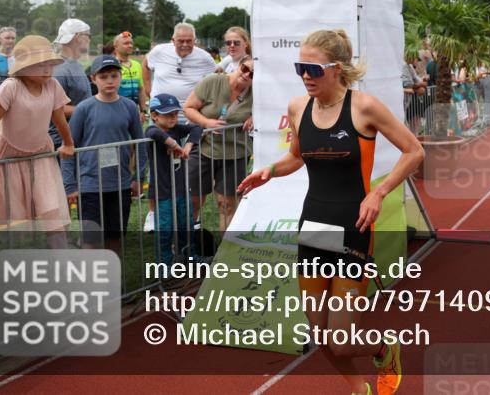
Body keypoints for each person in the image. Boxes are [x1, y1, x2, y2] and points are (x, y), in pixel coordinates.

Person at [237, 29, 424, 395]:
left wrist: (379, 192)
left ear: (336, 69)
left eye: (313, 69)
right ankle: (360, 389)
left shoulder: (364, 107)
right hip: (314, 225)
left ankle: (383, 349)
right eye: (300, 68)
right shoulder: (298, 108)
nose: (305, 76)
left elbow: (414, 150)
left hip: (353, 226)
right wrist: (269, 171)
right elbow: (295, 158)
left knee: (340, 339)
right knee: (319, 332)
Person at [0, 36, 74, 260]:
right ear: (25, 67)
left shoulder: (53, 86)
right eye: (41, 64)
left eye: (49, 64)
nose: (47, 69)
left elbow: (59, 119)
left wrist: (68, 143)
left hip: (41, 155)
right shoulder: (10, 87)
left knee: (52, 209)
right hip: (7, 155)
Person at [61, 55, 147, 253]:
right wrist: (70, 184)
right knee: (91, 241)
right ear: (93, 79)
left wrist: (139, 177)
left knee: (115, 239)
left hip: (120, 185)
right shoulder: (83, 109)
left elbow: (140, 143)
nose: (109, 81)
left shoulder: (129, 107)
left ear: (120, 77)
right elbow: (68, 147)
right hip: (89, 186)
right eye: (103, 76)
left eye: (114, 76)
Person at [141, 23, 215, 232]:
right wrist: (149, 90)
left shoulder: (205, 58)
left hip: (189, 120)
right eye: (180, 41)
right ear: (172, 40)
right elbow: (146, 64)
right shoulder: (159, 52)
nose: (184, 44)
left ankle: (192, 217)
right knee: (158, 170)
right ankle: (153, 214)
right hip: (160, 121)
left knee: (190, 171)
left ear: (195, 41)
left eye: (189, 41)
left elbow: (214, 80)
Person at [183, 57, 254, 234]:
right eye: (245, 68)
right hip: (203, 148)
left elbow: (273, 110)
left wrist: (256, 117)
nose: (247, 75)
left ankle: (225, 248)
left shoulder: (258, 92)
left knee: (227, 204)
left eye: (253, 74)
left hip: (235, 153)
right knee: (193, 201)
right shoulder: (212, 81)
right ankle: (184, 245)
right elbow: (189, 107)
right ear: (239, 65)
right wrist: (206, 122)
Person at [145, 94, 201, 268]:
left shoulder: (177, 128)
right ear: (154, 115)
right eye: (168, 114)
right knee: (165, 229)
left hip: (182, 188)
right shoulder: (152, 131)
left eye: (175, 114)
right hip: (163, 191)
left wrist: (188, 145)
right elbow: (153, 132)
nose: (173, 118)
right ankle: (165, 265)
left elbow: (197, 128)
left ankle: (189, 258)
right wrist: (174, 145)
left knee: (186, 225)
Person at [50, 18, 93, 148]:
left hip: (78, 139)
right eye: (88, 36)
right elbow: (52, 107)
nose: (90, 40)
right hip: (62, 143)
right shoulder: (59, 69)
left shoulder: (76, 65)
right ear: (77, 37)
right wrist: (93, 109)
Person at [113, 32, 148, 119]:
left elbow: (140, 89)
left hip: (134, 111)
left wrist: (143, 111)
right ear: (116, 46)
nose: (130, 46)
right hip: (115, 111)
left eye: (131, 43)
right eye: (126, 43)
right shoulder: (111, 65)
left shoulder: (137, 65)